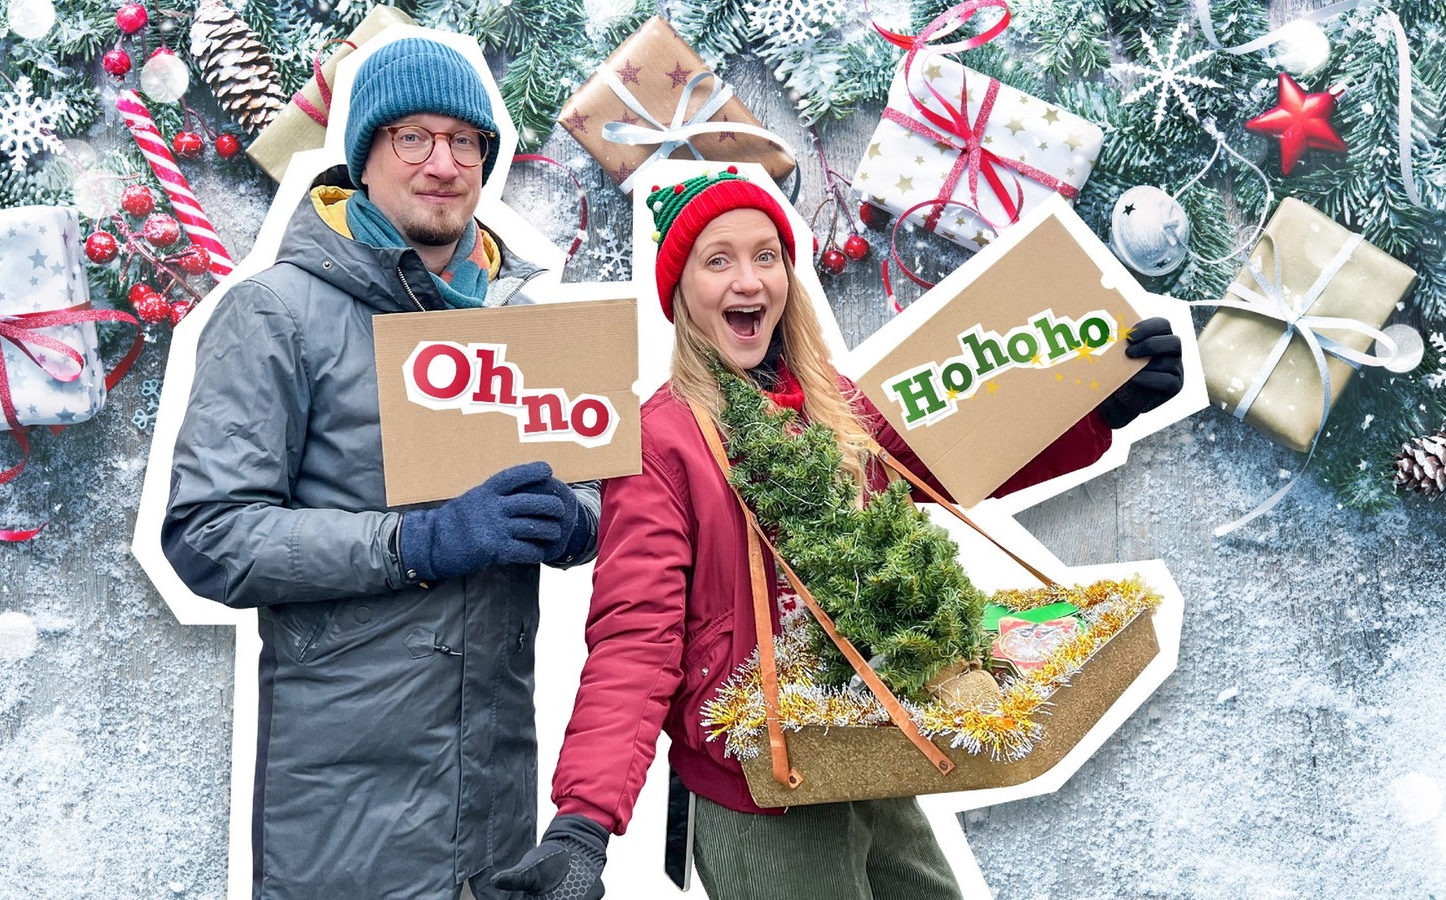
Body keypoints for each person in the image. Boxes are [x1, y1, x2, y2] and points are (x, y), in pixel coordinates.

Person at [491, 169, 1182, 899]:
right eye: (717, 260)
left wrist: (1099, 408)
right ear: (682, 294)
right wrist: (582, 823)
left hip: (865, 747)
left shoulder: (833, 405)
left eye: (765, 256)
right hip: (759, 785)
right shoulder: (662, 442)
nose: (747, 280)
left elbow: (952, 458)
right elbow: (636, 636)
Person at [161, 37, 599, 900]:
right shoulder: (275, 313)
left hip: (496, 791)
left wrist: (578, 516)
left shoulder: (527, 326)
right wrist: (415, 541)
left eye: (465, 141)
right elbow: (209, 536)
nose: (443, 164)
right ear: (364, 157)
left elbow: (589, 484)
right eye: (413, 138)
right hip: (348, 806)